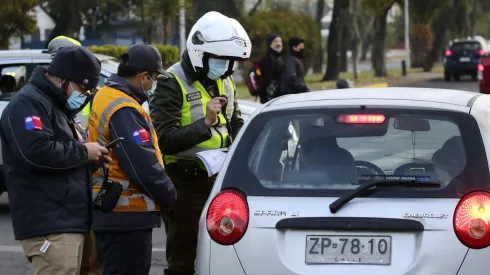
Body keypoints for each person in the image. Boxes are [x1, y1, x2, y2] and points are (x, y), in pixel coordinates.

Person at [149, 11, 251, 275]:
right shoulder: (170, 83)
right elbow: (164, 140)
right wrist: (205, 123)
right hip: (184, 184)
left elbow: (234, 121)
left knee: (224, 254)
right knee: (183, 259)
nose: (226, 66)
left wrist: (243, 147)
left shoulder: (224, 80)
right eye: (220, 60)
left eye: (230, 61)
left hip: (220, 181)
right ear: (199, 54)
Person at [0, 46, 111, 275]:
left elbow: (62, 157)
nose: (86, 94)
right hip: (49, 223)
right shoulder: (27, 104)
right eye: (83, 87)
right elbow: (35, 152)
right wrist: (84, 152)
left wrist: (92, 159)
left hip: (68, 220)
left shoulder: (57, 107)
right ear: (62, 78)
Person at [87, 42, 177, 275]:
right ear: (143, 76)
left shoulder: (105, 95)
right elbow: (142, 164)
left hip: (110, 210)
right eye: (154, 78)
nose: (153, 84)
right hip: (126, 216)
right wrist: (170, 196)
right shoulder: (124, 108)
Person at [47, 35, 101, 275]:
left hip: (91, 178)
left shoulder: (91, 92)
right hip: (68, 185)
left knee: (90, 259)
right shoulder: (52, 99)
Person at [257, 34, 284, 103]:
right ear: (270, 43)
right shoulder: (268, 59)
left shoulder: (278, 57)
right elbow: (267, 79)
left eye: (280, 41)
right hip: (269, 96)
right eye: (275, 41)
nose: (278, 43)